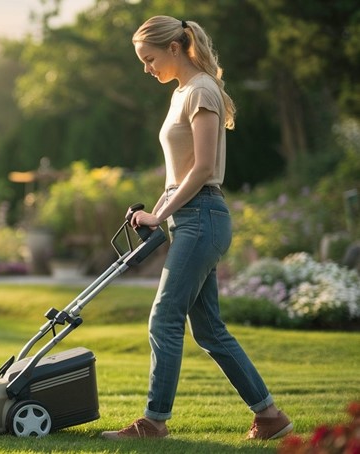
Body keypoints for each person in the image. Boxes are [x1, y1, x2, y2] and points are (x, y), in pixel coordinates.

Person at [101, 16, 293, 441]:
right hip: (189, 218)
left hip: (203, 217)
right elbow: (183, 168)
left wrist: (160, 211)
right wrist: (161, 211)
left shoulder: (202, 89)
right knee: (208, 329)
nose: (146, 68)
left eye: (149, 59)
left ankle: (153, 422)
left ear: (173, 48)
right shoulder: (183, 93)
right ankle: (270, 416)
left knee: (163, 318)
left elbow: (203, 167)